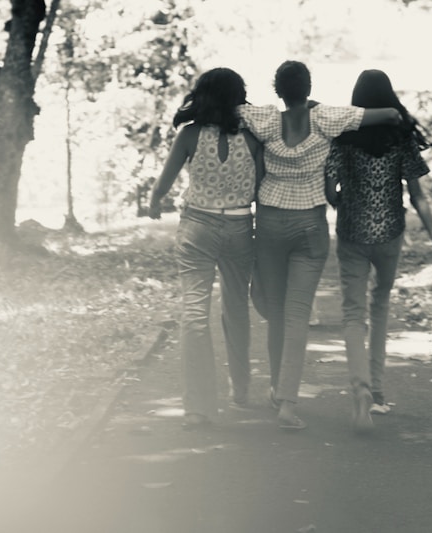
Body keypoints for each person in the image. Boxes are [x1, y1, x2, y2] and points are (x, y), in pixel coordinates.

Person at [237, 60, 401, 430]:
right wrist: (319, 108)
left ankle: (276, 388)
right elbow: (389, 115)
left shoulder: (265, 118)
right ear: (308, 88)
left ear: (278, 90)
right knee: (297, 314)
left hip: (270, 221)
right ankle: (287, 405)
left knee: (276, 312)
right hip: (309, 224)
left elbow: (232, 110)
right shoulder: (326, 117)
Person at [324, 69, 432, 434]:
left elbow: (330, 189)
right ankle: (377, 390)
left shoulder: (344, 136)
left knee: (352, 313)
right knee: (380, 306)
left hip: (352, 233)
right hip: (390, 233)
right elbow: (418, 196)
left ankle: (360, 388)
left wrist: (343, 201)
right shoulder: (400, 136)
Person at [148, 67, 264, 428]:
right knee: (236, 309)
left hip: (198, 226)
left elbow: (163, 183)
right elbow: (261, 188)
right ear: (238, 97)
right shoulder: (253, 138)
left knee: (195, 315)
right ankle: (240, 389)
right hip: (239, 227)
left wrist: (154, 203)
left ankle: (198, 408)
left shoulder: (190, 134)